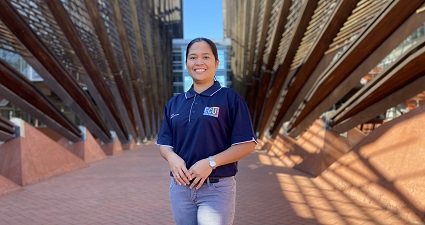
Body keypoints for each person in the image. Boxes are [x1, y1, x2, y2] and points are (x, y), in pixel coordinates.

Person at [156, 37, 257, 225]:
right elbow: (165, 144)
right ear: (186, 63)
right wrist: (172, 158)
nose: (199, 62)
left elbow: (247, 144)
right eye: (193, 57)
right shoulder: (174, 104)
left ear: (217, 62)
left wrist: (211, 162)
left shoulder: (230, 99)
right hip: (180, 189)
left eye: (206, 57)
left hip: (216, 189)